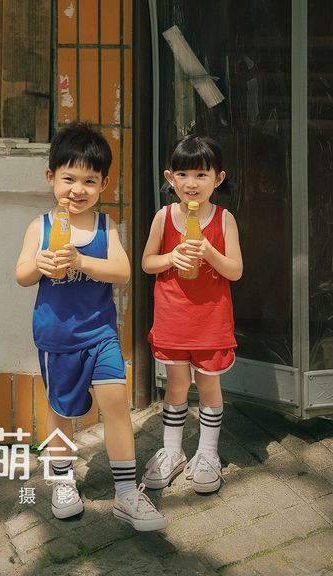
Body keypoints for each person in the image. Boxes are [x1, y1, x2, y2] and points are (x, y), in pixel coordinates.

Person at [15, 121, 166, 532]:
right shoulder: (40, 227)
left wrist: (81, 261)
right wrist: (39, 263)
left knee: (116, 404)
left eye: (89, 181)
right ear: (51, 177)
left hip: (101, 335)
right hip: (57, 338)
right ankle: (62, 480)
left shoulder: (105, 227)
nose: (77, 190)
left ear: (104, 184)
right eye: (68, 179)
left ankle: (126, 493)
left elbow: (122, 272)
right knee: (61, 411)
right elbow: (22, 275)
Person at [141, 135, 243, 494]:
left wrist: (209, 252)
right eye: (183, 174)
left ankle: (208, 453)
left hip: (211, 321)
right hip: (172, 318)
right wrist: (171, 257)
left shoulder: (224, 220)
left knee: (209, 384)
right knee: (177, 384)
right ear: (170, 178)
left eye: (201, 174)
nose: (191, 183)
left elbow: (235, 270)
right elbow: (147, 262)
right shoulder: (164, 216)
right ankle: (172, 451)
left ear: (218, 178)